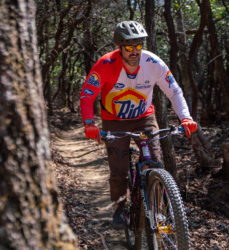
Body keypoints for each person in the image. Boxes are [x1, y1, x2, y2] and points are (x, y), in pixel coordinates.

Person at [79, 21, 197, 230]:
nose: (135, 52)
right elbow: (88, 95)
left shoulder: (153, 63)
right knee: (119, 171)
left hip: (144, 117)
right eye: (129, 47)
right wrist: (89, 122)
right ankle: (119, 209)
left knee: (154, 163)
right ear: (120, 47)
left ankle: (158, 210)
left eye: (138, 47)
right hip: (114, 121)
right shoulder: (105, 65)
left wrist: (185, 118)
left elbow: (174, 91)